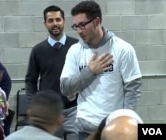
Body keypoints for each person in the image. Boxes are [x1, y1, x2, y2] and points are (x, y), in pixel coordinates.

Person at [60, 1, 142, 139]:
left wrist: (125, 123)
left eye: (82, 25)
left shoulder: (123, 49)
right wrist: (89, 72)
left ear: (97, 21)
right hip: (84, 129)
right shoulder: (74, 51)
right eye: (76, 26)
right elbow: (65, 88)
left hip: (114, 129)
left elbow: (132, 89)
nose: (79, 31)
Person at [25, 5, 79, 139]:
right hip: (49, 112)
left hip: (75, 110)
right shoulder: (38, 50)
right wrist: (34, 104)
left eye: (58, 19)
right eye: (50, 21)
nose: (55, 24)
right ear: (45, 24)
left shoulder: (77, 46)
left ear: (64, 21)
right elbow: (30, 80)